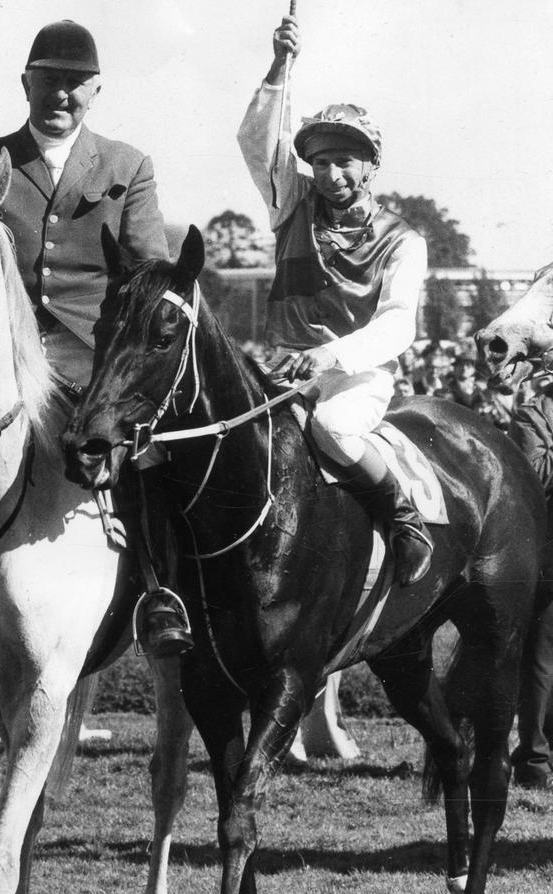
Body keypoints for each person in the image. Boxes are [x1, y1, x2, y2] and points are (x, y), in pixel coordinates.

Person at [0, 20, 191, 658]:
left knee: (153, 447)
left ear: (96, 90)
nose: (62, 94)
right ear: (26, 84)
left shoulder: (129, 166)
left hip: (89, 362)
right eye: (49, 81)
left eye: (75, 84)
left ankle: (160, 592)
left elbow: (147, 271)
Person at [237, 14, 431, 587]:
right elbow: (259, 143)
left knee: (333, 430)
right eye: (319, 161)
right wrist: (279, 67)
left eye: (345, 160)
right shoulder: (290, 203)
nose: (330, 173)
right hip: (279, 367)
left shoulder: (405, 239)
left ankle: (403, 519)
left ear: (371, 165)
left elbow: (398, 327)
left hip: (354, 378)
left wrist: (330, 357)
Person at [508, 384, 553, 789]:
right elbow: (532, 476)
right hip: (547, 551)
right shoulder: (533, 414)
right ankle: (534, 758)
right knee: (541, 655)